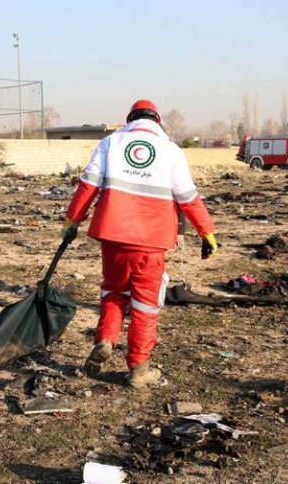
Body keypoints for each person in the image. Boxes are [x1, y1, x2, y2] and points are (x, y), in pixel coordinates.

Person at [62, 100, 217, 388]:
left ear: (130, 119)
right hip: (152, 241)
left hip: (114, 237)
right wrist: (207, 233)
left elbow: (88, 185)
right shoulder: (171, 150)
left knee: (113, 292)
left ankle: (106, 341)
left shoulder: (112, 142)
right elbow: (187, 197)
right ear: (157, 121)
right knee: (145, 304)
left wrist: (73, 220)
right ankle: (138, 368)